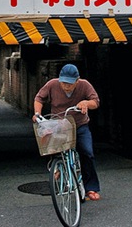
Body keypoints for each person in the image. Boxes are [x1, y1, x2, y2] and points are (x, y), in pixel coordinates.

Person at [32, 64, 101, 201]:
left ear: (77, 80)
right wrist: (37, 113)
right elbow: (39, 98)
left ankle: (91, 187)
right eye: (63, 82)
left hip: (79, 125)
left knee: (87, 153)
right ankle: (55, 163)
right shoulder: (52, 84)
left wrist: (86, 103)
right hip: (58, 124)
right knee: (49, 141)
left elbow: (95, 102)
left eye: (69, 83)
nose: (66, 86)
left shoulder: (84, 85)